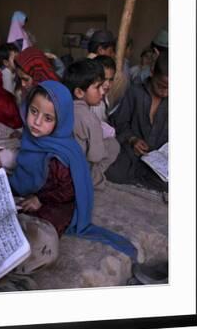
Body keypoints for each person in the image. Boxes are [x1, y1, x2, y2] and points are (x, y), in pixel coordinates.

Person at [8, 80, 137, 260]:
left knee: (40, 227)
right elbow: (25, 169)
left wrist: (40, 199)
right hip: (38, 193)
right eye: (34, 111)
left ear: (61, 121)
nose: (36, 122)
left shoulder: (61, 156)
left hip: (59, 201)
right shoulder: (32, 139)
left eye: (48, 118)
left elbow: (67, 191)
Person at [106, 51, 169, 193]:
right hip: (132, 151)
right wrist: (132, 139)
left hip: (159, 158)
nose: (166, 92)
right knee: (113, 172)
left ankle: (145, 176)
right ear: (152, 72)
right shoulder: (135, 92)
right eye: (161, 86)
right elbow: (120, 122)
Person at [63, 58, 120, 190]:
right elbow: (96, 156)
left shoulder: (63, 106)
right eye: (97, 87)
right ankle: (92, 178)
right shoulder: (90, 119)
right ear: (79, 92)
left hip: (58, 164)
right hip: (75, 169)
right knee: (113, 145)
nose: (102, 91)